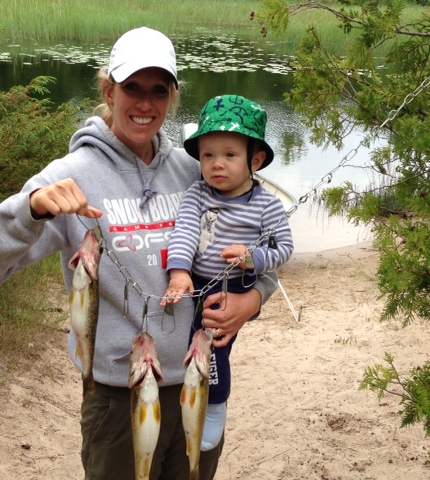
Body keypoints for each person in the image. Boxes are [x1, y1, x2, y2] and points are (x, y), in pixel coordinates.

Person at [0, 27, 279, 480]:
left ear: (172, 98)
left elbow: (262, 244)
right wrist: (30, 209)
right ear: (109, 90)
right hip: (118, 397)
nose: (145, 103)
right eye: (132, 88)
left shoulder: (197, 170)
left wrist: (254, 300)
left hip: (197, 384)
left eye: (158, 90)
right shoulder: (70, 175)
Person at [162, 94, 294, 453]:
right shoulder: (198, 193)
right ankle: (187, 393)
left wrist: (253, 259)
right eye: (208, 155)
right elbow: (184, 233)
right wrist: (179, 272)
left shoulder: (266, 205)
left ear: (256, 160)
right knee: (187, 339)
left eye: (230, 155)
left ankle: (216, 404)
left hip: (232, 287)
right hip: (196, 281)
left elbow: (284, 248)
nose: (217, 164)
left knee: (213, 346)